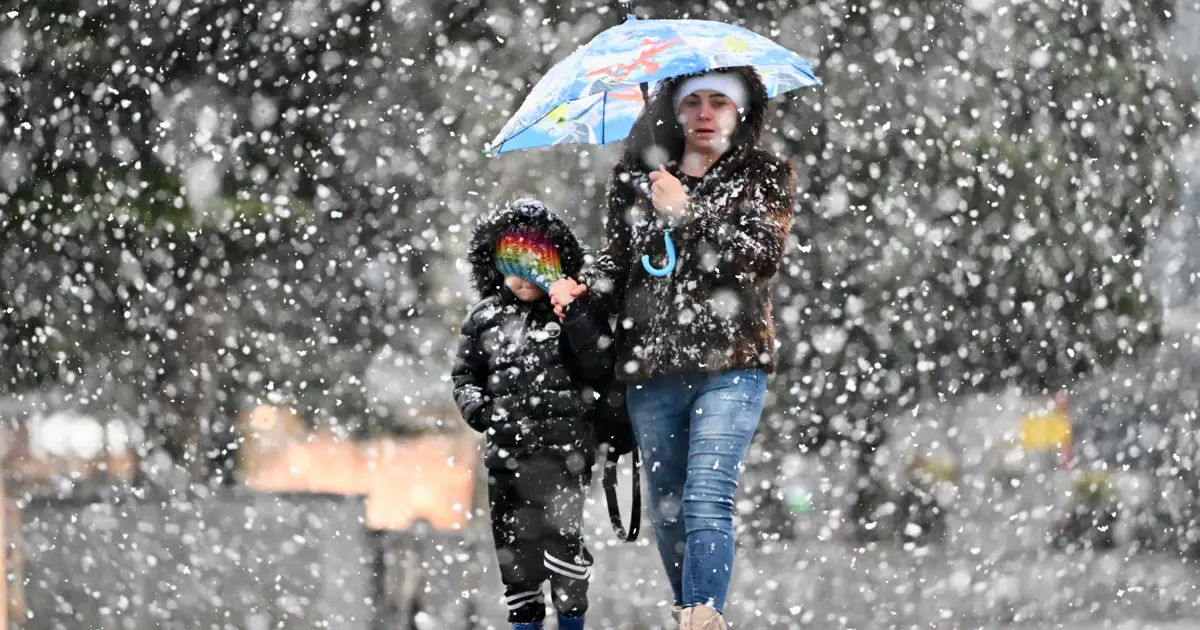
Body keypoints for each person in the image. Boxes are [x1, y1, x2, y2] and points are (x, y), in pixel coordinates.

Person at [549, 67, 798, 629]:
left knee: (707, 493)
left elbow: (758, 259)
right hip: (652, 370)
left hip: (732, 365)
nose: (705, 113)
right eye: (692, 103)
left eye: (719, 102)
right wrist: (581, 288)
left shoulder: (764, 175)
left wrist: (687, 212)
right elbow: (618, 267)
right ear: (674, 110)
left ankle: (704, 617)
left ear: (743, 111)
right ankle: (688, 611)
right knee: (668, 511)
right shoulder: (633, 181)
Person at [452, 199, 615, 630]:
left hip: (564, 455)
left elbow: (599, 365)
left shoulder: (571, 312)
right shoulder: (484, 318)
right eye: (513, 269)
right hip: (506, 455)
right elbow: (466, 374)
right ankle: (526, 621)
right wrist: (478, 408)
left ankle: (571, 618)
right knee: (516, 558)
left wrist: (574, 312)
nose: (522, 281)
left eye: (534, 271)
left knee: (563, 550)